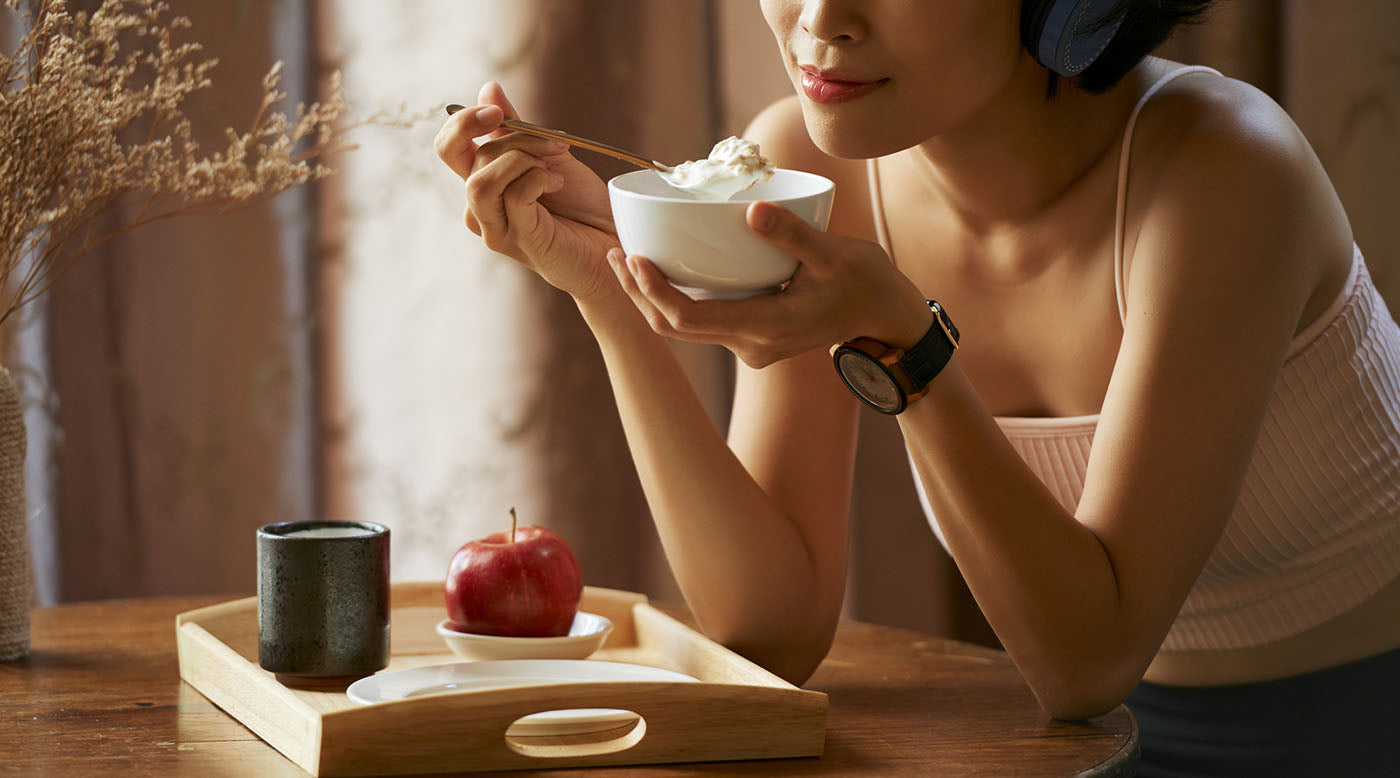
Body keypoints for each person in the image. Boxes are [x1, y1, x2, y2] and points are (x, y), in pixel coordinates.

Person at [435, 1, 1400, 773]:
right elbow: (769, 628)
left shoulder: (1224, 170)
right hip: (1085, 755)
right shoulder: (811, 169)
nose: (822, 18)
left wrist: (909, 347)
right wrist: (607, 284)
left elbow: (1085, 665)